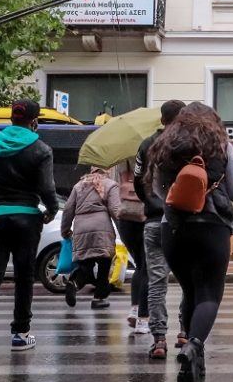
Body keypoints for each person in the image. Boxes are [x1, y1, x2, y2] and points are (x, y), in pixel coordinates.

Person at [147, 102, 233, 382]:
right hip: (212, 226)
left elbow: (156, 189)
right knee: (209, 294)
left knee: (189, 291)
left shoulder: (164, 144)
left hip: (173, 227)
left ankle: (193, 355)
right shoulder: (222, 145)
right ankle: (193, 346)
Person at [0, 99, 60, 363]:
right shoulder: (41, 148)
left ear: (12, 118)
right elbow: (46, 188)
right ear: (34, 121)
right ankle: (20, 333)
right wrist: (51, 210)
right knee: (23, 277)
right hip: (26, 220)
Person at [133, 100, 186, 359]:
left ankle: (159, 339)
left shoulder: (146, 145)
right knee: (190, 281)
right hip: (185, 221)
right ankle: (185, 332)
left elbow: (137, 181)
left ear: (162, 119)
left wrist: (152, 204)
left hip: (155, 221)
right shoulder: (188, 144)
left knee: (156, 282)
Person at [61, 167, 121, 309]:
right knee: (104, 264)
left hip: (81, 229)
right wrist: (123, 230)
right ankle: (99, 298)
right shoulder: (110, 185)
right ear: (106, 170)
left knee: (86, 263)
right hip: (102, 229)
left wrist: (65, 230)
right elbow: (115, 210)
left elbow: (68, 209)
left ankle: (75, 283)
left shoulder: (78, 186)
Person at [116, 160, 149, 335]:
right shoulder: (151, 154)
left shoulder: (124, 162)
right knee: (146, 267)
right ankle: (143, 319)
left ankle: (135, 309)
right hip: (145, 215)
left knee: (139, 265)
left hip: (126, 217)